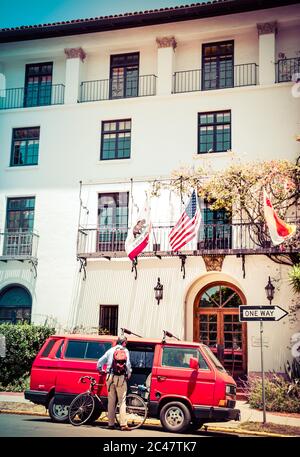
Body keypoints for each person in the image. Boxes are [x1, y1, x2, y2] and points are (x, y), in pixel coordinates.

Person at [97, 336, 132, 431]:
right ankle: (123, 425)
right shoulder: (125, 350)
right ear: (124, 342)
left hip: (109, 377)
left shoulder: (110, 350)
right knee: (122, 400)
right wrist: (129, 373)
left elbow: (100, 361)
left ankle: (111, 424)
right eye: (126, 342)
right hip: (120, 378)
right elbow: (128, 364)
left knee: (111, 401)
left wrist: (101, 369)